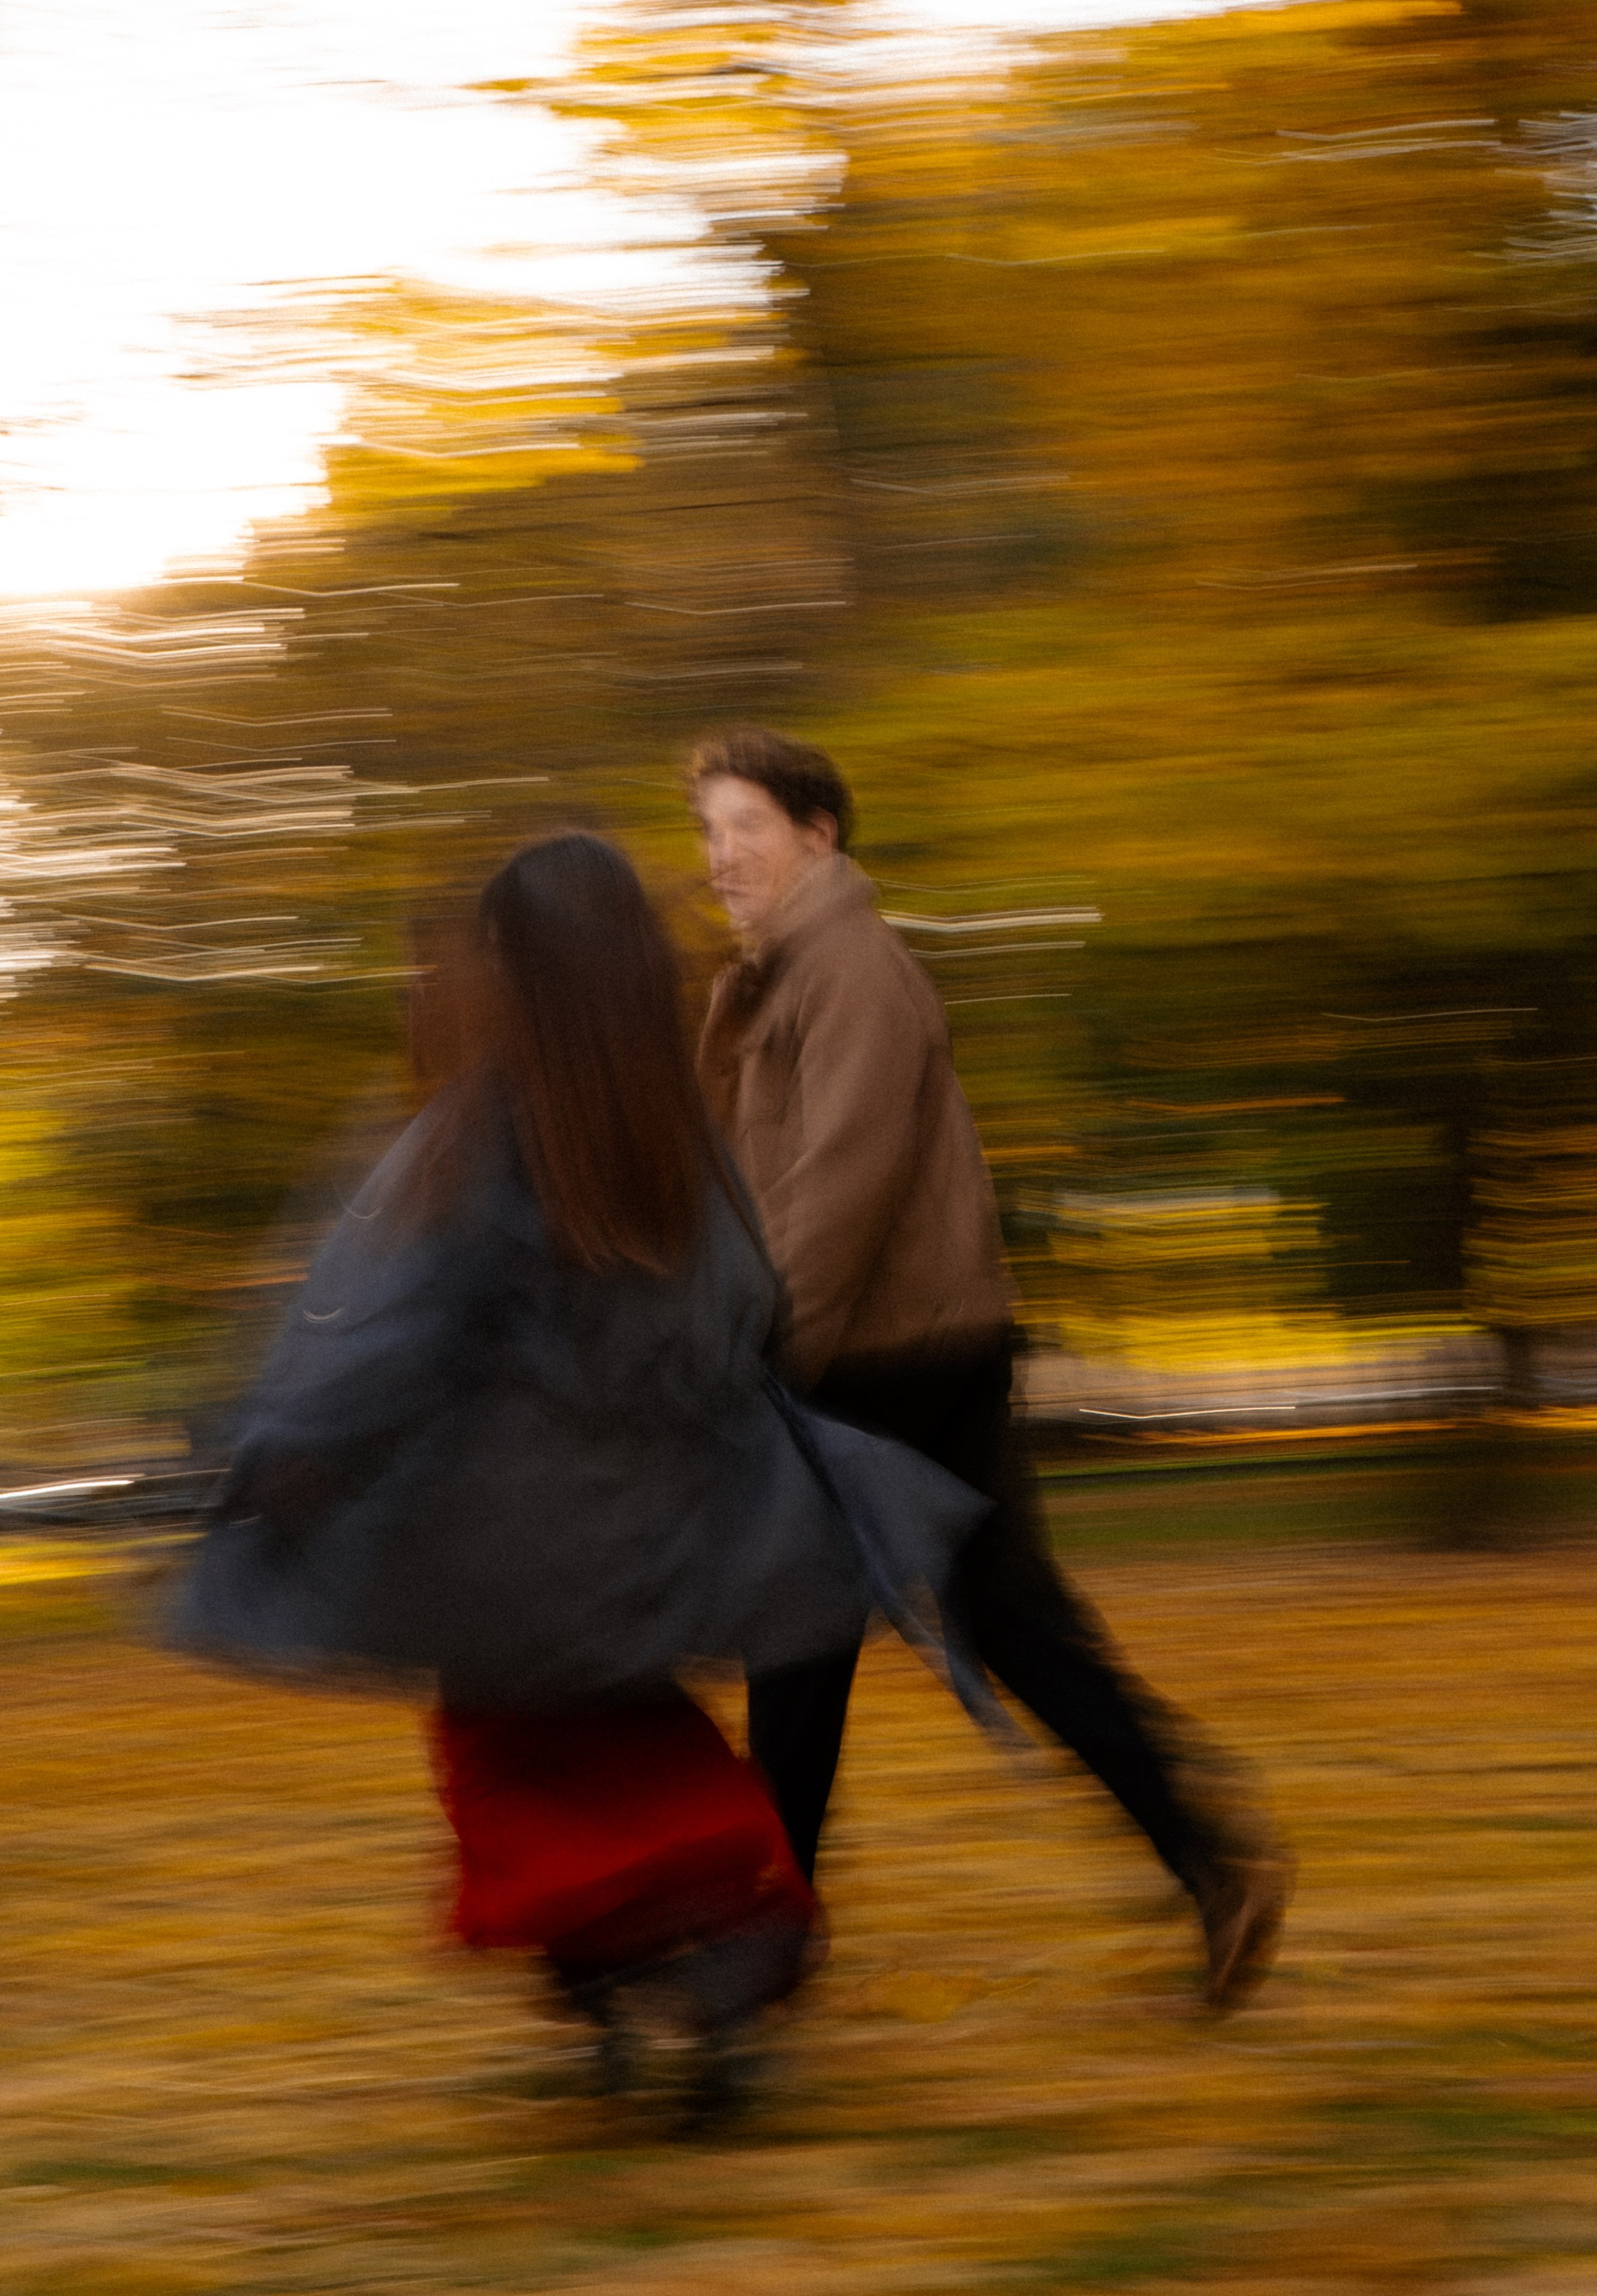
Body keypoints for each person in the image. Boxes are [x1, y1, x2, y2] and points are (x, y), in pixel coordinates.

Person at [170, 832, 986, 2113]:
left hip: (506, 1528)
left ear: (508, 966)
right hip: (640, 1522)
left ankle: (669, 1948)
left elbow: (404, 1323)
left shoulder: (488, 1126)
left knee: (512, 1754)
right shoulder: (666, 1125)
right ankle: (677, 1954)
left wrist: (293, 1447)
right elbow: (743, 1302)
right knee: (627, 1727)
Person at [689, 730, 1287, 2008]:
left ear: (817, 834)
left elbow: (841, 1186)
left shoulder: (851, 969)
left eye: (746, 826)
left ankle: (767, 1948)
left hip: (876, 1358)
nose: (721, 855)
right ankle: (1210, 1858)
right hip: (907, 1348)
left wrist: (765, 1358)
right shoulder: (789, 978)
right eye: (710, 831)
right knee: (1005, 1625)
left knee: (803, 1650)